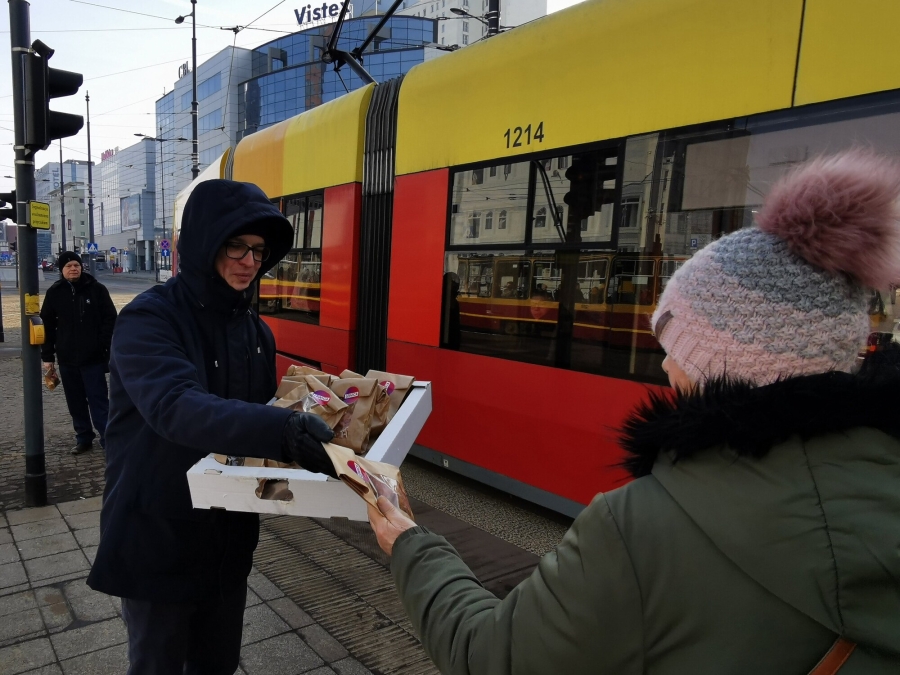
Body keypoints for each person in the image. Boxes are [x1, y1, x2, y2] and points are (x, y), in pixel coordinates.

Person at [368, 150, 900, 673]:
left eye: (678, 347)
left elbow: (489, 657)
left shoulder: (640, 530)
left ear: (729, 365)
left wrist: (412, 547)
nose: (666, 365)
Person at [87, 180, 338, 675]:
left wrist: (313, 441)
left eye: (259, 250)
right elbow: (176, 406)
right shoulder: (149, 319)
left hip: (227, 543)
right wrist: (283, 429)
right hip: (157, 536)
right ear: (204, 244)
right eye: (235, 245)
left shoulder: (257, 331)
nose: (249, 261)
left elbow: (254, 427)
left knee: (218, 664)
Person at [40, 251, 117, 454]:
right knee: (75, 402)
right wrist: (47, 357)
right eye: (69, 266)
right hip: (67, 359)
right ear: (62, 270)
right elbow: (47, 326)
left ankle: (108, 439)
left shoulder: (97, 290)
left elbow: (110, 319)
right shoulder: (55, 292)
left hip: (93, 358)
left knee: (99, 401)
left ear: (81, 267)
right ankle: (83, 437)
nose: (73, 269)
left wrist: (102, 344)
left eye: (76, 265)